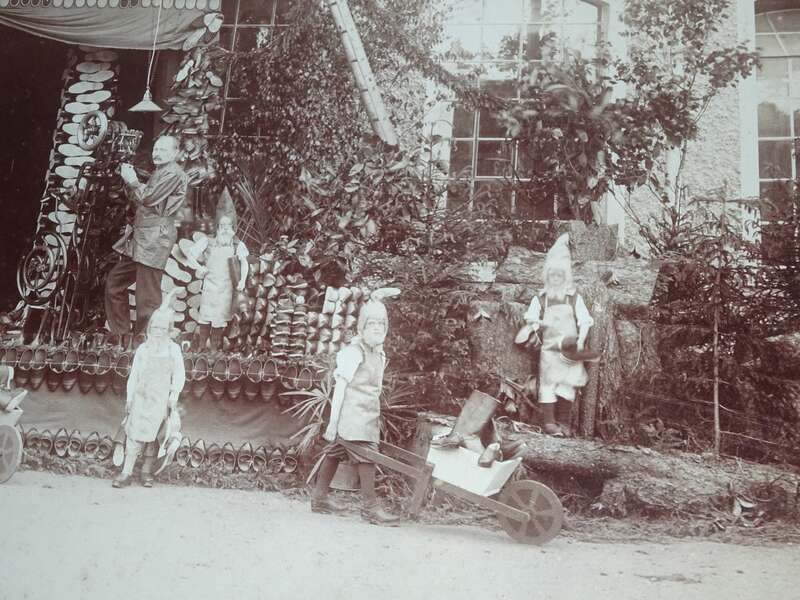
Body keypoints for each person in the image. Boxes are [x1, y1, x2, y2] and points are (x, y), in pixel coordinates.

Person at [310, 288, 402, 525]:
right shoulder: (353, 353)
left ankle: (319, 499)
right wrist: (333, 424)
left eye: (381, 325)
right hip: (353, 416)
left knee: (335, 451)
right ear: (362, 328)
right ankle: (370, 508)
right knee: (367, 456)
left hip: (369, 415)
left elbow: (376, 388)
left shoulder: (378, 354)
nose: (377, 329)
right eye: (372, 325)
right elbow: (340, 389)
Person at [104, 135, 189, 343]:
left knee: (147, 297)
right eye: (155, 149)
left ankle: (145, 341)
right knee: (114, 283)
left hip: (154, 240)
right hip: (142, 239)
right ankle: (122, 336)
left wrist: (132, 180)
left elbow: (149, 198)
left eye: (163, 150)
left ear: (175, 153)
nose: (157, 153)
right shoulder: (161, 171)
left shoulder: (174, 173)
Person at [520, 234, 594, 437]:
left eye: (560, 276)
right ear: (547, 276)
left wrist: (581, 340)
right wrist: (539, 325)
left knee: (568, 384)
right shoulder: (541, 299)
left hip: (570, 349)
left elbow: (585, 320)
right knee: (548, 384)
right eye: (552, 275)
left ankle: (563, 421)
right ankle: (549, 422)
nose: (556, 279)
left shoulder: (574, 298)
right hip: (550, 350)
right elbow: (531, 318)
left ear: (565, 277)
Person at [112, 289, 185, 488]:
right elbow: (134, 376)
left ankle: (146, 472)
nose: (158, 332)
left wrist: (173, 396)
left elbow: (179, 375)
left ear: (168, 329)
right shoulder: (143, 350)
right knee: (134, 432)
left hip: (160, 399)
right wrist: (130, 398)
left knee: (154, 435)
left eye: (162, 328)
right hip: (141, 397)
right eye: (155, 328)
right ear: (150, 328)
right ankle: (126, 472)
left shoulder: (173, 350)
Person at [184, 189, 249, 352]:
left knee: (219, 319)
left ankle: (213, 349)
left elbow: (244, 263)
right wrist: (200, 267)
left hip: (227, 288)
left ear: (233, 227)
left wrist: (242, 281)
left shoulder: (238, 245)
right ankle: (201, 347)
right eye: (222, 226)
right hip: (210, 287)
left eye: (228, 226)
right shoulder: (208, 241)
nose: (225, 229)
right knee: (205, 317)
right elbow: (190, 254)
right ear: (218, 226)